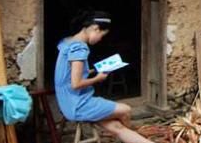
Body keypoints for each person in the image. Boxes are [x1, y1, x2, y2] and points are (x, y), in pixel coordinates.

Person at [54, 10, 151, 143]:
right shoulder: (79, 48)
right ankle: (132, 135)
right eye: (102, 35)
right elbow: (75, 84)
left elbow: (69, 73)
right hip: (78, 105)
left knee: (116, 127)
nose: (100, 40)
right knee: (126, 110)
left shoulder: (67, 42)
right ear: (95, 28)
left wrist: (90, 71)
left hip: (66, 102)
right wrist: (97, 79)